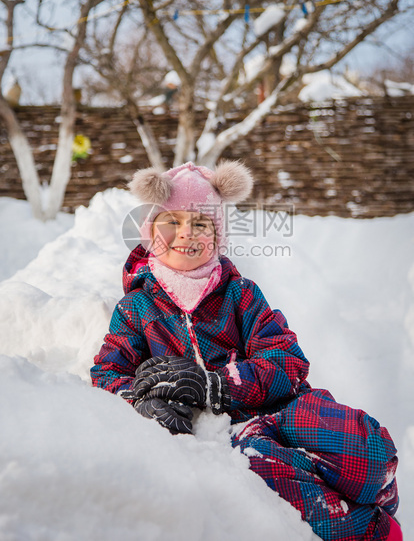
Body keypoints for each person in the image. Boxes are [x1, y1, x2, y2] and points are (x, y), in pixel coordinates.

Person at [91, 161, 402, 541]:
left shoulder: (241, 294)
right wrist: (139, 402)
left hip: (283, 404)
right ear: (150, 232)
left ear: (217, 235)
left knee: (364, 450)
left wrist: (216, 385)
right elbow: (108, 374)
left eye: (201, 223)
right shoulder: (138, 308)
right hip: (232, 433)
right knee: (278, 474)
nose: (186, 234)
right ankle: (376, 531)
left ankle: (380, 491)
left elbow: (287, 358)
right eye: (171, 220)